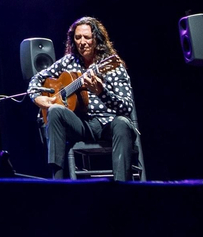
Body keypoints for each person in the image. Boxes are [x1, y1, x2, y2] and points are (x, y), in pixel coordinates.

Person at [27, 16, 137, 180]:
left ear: (97, 39)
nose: (82, 42)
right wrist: (38, 98)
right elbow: (36, 81)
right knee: (55, 110)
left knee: (122, 123)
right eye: (78, 37)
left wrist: (101, 93)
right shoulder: (68, 62)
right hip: (82, 124)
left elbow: (126, 107)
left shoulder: (113, 66)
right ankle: (56, 181)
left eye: (87, 37)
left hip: (110, 125)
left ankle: (120, 189)